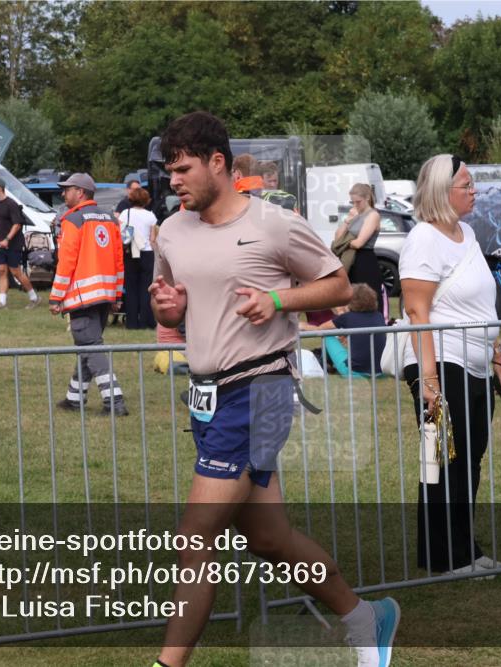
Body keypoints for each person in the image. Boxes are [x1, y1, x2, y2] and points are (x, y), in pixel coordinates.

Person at [149, 111, 399, 667]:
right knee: (268, 539)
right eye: (170, 172)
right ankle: (366, 618)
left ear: (218, 163)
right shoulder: (171, 229)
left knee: (195, 539)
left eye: (184, 169)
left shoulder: (275, 224)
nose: (175, 182)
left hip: (259, 391)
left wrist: (278, 300)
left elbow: (338, 284)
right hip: (206, 396)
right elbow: (168, 299)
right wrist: (168, 306)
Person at [400, 154, 501, 575]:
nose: (473, 191)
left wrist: (497, 352)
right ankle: (446, 558)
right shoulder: (424, 239)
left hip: (476, 364)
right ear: (443, 192)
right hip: (441, 363)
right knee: (444, 461)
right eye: (466, 185)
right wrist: (428, 379)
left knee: (469, 459)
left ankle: (464, 550)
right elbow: (416, 310)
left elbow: (481, 300)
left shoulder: (467, 233)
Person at [49, 172, 129, 417]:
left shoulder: (73, 219)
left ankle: (114, 401)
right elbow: (118, 260)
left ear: (80, 192)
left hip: (82, 297)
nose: (64, 193)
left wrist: (56, 296)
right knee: (88, 346)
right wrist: (116, 295)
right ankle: (75, 398)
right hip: (104, 296)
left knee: (91, 347)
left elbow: (67, 261)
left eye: (68, 189)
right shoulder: (109, 218)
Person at [301, 283, 385, 376]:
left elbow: (321, 330)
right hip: (381, 372)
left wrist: (303, 326)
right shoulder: (379, 316)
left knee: (328, 337)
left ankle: (322, 362)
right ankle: (325, 360)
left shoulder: (347, 317)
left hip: (354, 372)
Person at [0, 177, 39, 309]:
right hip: (0, 243)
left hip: (13, 243)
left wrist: (7, 240)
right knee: (1, 271)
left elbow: (17, 225)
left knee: (16, 272)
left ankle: (34, 298)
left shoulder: (11, 204)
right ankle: (2, 302)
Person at [334, 183, 384, 313]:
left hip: (365, 261)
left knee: (367, 300)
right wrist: (348, 219)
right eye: (353, 202)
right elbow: (338, 238)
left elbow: (359, 243)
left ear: (367, 198)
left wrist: (344, 243)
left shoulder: (373, 215)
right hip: (351, 261)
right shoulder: (355, 215)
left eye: (358, 202)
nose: (355, 205)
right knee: (350, 300)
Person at [120, 186, 157, 329]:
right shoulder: (151, 216)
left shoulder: (125, 213)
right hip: (146, 252)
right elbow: (153, 238)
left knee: (131, 288)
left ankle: (131, 322)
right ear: (146, 200)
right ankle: (145, 321)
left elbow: (121, 233)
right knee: (145, 288)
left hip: (130, 252)